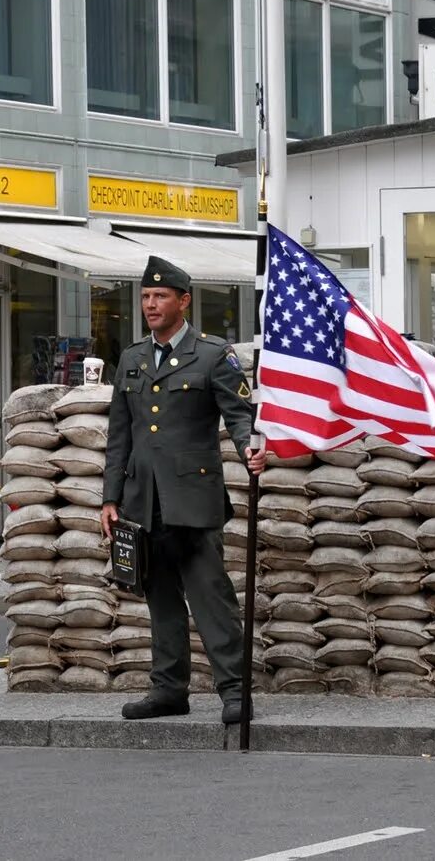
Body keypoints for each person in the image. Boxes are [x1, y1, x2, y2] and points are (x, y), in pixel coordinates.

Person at [100, 256, 266, 725]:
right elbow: (120, 437)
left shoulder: (213, 355)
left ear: (183, 300)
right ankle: (169, 689)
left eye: (161, 297)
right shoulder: (132, 358)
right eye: (146, 297)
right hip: (142, 501)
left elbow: (238, 415)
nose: (151, 305)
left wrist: (250, 449)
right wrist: (110, 499)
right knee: (162, 601)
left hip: (193, 501)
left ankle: (235, 692)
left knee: (211, 598)